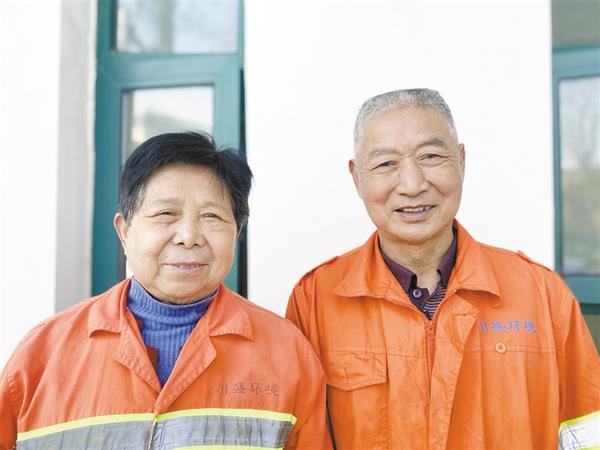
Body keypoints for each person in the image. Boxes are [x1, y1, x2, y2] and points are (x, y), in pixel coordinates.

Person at [286, 89, 600, 450]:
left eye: (431, 156)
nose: (412, 185)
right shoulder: (315, 299)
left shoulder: (541, 293)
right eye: (386, 164)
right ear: (357, 178)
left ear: (461, 162)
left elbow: (586, 435)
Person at [0, 132, 332, 450]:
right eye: (166, 214)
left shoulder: (287, 352)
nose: (189, 236)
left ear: (237, 231)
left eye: (211, 216)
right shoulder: (42, 353)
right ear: (124, 231)